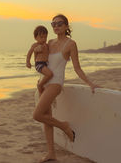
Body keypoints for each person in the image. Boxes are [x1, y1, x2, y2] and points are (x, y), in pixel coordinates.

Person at [33, 14, 99, 163]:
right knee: (46, 119)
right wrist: (36, 51)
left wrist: (90, 83)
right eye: (53, 24)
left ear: (67, 26)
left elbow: (77, 68)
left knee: (37, 115)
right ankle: (51, 153)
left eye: (59, 23)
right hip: (44, 82)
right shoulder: (49, 42)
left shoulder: (70, 44)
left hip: (55, 83)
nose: (56, 26)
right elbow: (40, 60)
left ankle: (64, 126)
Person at [26, 25, 53, 94]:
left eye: (45, 37)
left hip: (46, 64)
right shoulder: (35, 45)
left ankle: (41, 93)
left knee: (48, 76)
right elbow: (29, 54)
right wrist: (28, 62)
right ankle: (40, 84)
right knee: (49, 74)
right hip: (39, 64)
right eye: (41, 37)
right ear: (35, 37)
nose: (44, 39)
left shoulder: (46, 45)